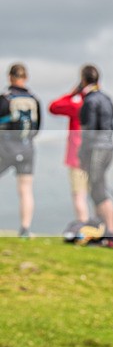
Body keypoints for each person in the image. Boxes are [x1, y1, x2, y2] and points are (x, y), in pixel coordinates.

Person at [77, 64, 113, 241]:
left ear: (83, 79)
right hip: (108, 147)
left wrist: (82, 152)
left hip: (96, 149)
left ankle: (110, 231)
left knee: (98, 189)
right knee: (98, 187)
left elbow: (89, 130)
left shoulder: (90, 100)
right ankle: (105, 230)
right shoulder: (107, 99)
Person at [0, 63, 41, 237]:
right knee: (25, 189)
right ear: (26, 77)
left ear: (10, 77)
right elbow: (37, 127)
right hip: (27, 149)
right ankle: (25, 229)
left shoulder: (5, 98)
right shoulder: (34, 99)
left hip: (5, 148)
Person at [49, 82, 93, 223]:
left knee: (79, 195)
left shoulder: (77, 106)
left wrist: (72, 93)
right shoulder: (96, 106)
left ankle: (83, 227)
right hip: (95, 156)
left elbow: (53, 107)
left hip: (77, 157)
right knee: (96, 196)